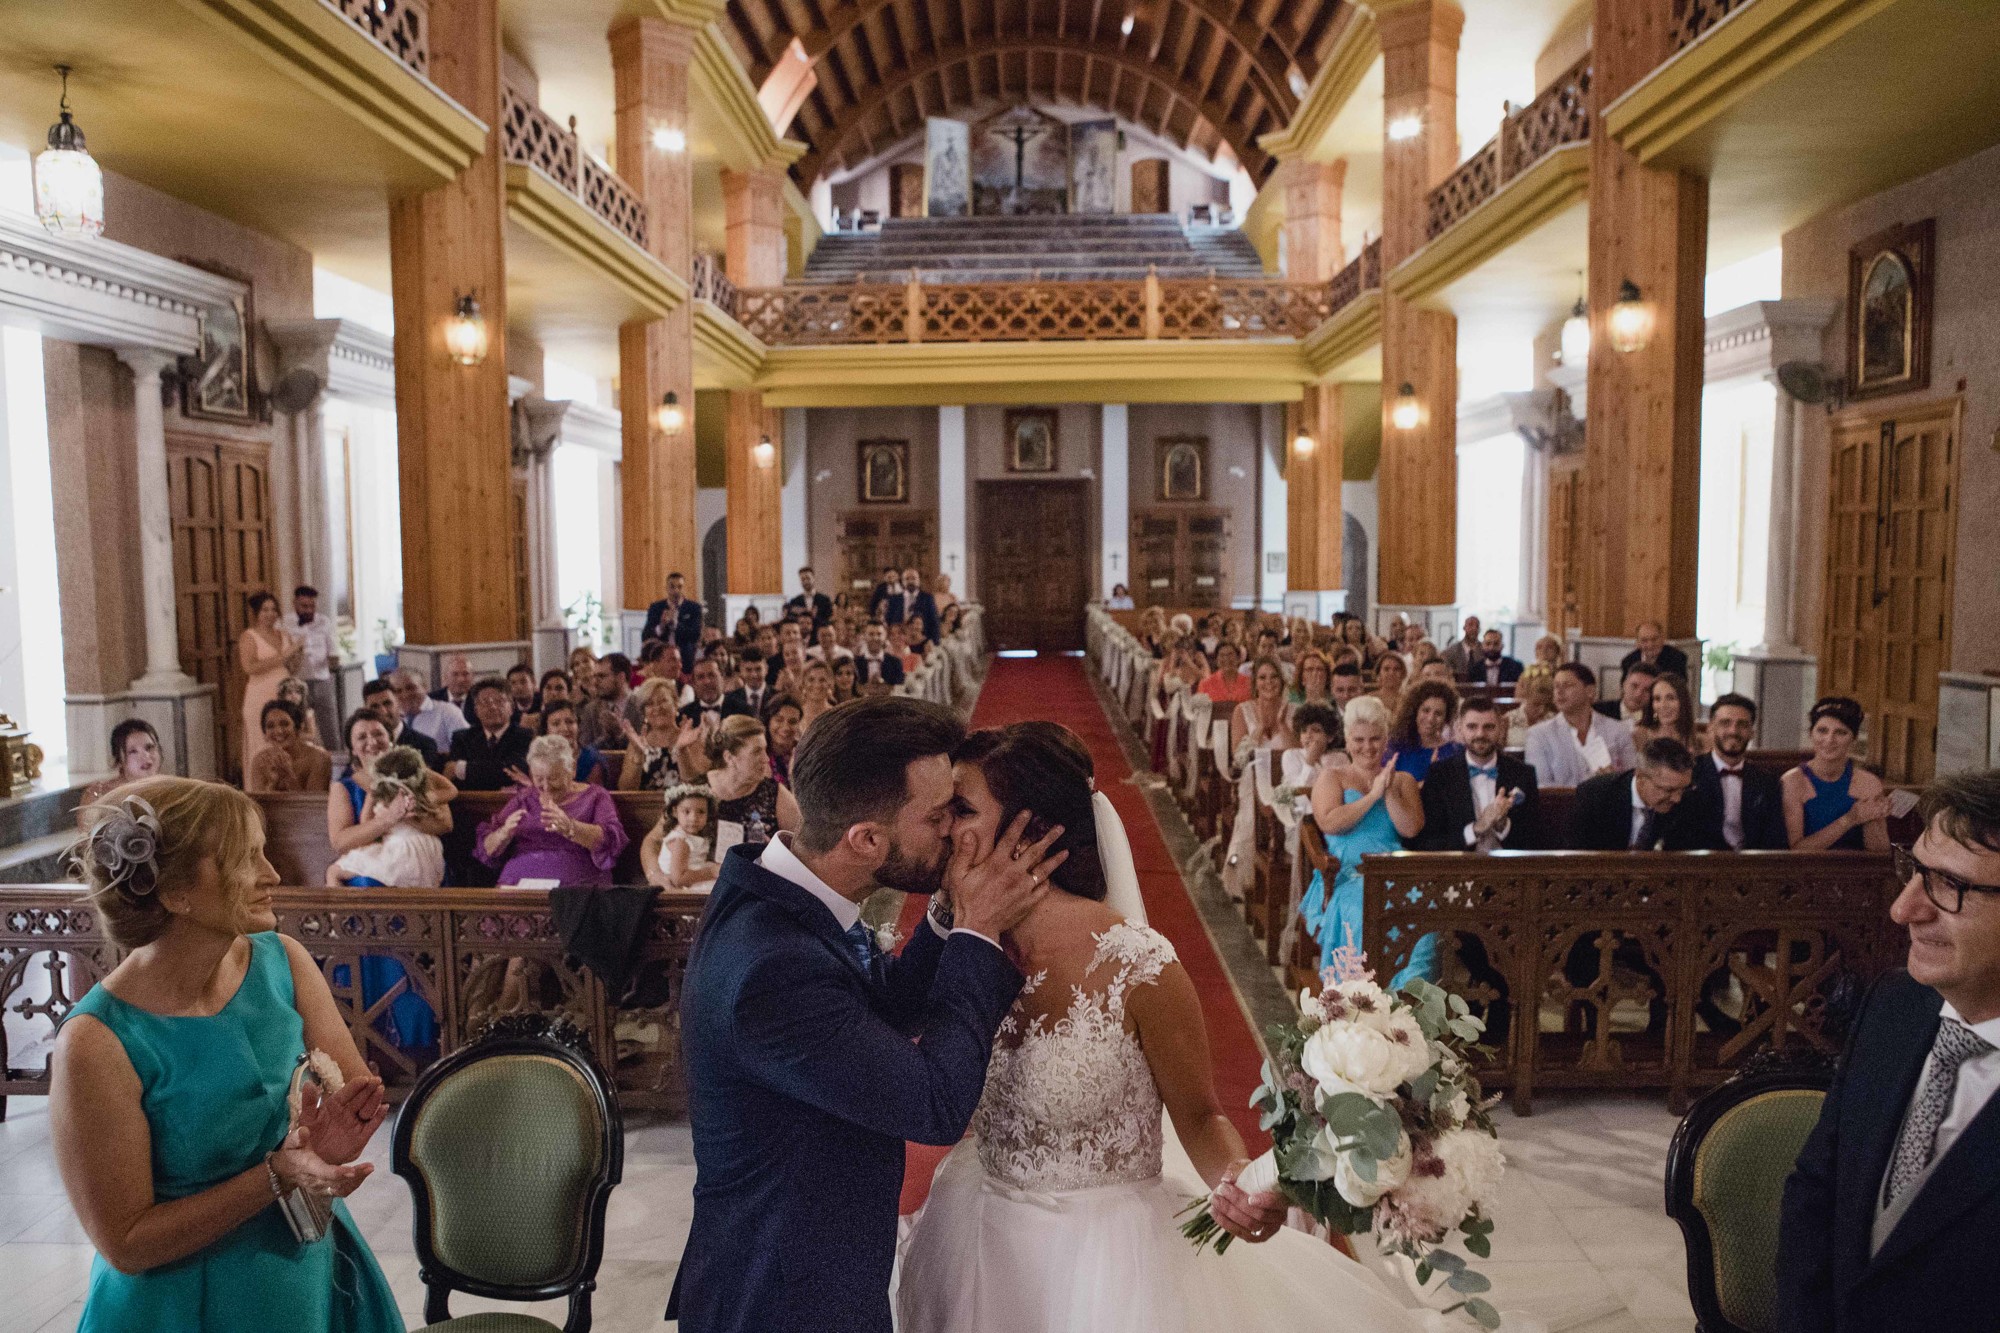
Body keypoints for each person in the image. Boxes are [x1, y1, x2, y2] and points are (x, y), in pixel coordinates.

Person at [900, 721, 1423, 1333]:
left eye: (960, 810)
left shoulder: (1137, 963)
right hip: (977, 1232)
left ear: (1030, 832)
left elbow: (1201, 1115)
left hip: (1110, 1262)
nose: (941, 828)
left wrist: (1236, 1185)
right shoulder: (958, 950)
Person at [669, 696, 1063, 1333]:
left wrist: (944, 914)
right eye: (938, 816)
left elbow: (879, 1003)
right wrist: (979, 930)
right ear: (868, 839)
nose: (954, 833)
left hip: (810, 1269)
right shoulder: (772, 969)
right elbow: (933, 1103)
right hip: (782, 1296)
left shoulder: (785, 893)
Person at [52, 778, 403, 1333]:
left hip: (305, 1272)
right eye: (245, 859)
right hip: (179, 1306)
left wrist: (329, 1152)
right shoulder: (95, 1041)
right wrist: (275, 1175)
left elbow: (348, 1099)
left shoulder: (283, 960)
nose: (273, 874)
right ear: (173, 893)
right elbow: (125, 1242)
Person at [1775, 769, 2000, 1333]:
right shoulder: (1897, 1006)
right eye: (1914, 871)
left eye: (1950, 886)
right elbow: (1816, 1191)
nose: (1903, 910)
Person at [328, 711, 455, 1048]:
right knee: (368, 890)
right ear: (352, 748)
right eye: (362, 737)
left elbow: (444, 822)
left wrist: (411, 814)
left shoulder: (412, 772)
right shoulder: (347, 786)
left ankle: (410, 1024)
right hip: (374, 872)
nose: (372, 742)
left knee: (374, 891)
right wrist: (387, 821)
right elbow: (341, 841)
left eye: (378, 734)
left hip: (410, 866)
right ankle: (375, 1021)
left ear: (391, 737)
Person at [1304, 697, 1435, 987]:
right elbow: (1330, 823)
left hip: (1396, 872)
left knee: (1425, 918)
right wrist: (1372, 796)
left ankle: (1410, 1001)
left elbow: (1411, 828)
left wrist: (1388, 792)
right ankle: (1361, 1001)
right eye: (1359, 740)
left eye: (1375, 739)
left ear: (1386, 740)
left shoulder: (1403, 780)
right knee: (1364, 913)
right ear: (1347, 741)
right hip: (1349, 873)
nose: (1368, 747)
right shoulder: (1332, 777)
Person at [476, 735, 629, 886]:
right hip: (519, 885)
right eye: (539, 779)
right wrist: (504, 833)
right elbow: (487, 849)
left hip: (575, 885)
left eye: (554, 778)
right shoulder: (524, 798)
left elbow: (610, 841)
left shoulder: (595, 796)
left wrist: (571, 828)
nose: (546, 786)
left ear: (572, 770)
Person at [1419, 698, 1541, 851]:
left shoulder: (1523, 774)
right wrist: (1475, 829)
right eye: (1472, 727)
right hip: (1458, 870)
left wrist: (1503, 826)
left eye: (1489, 727)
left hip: (1509, 870)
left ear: (1501, 728)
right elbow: (1429, 842)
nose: (1480, 734)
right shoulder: (1439, 774)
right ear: (1460, 728)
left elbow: (1535, 841)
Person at [1566, 737, 1718, 851]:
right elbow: (1578, 859)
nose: (1677, 798)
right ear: (1640, 777)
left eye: (1683, 788)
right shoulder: (1596, 796)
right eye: (1668, 790)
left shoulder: (1691, 800)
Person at [1784, 696, 1892, 851]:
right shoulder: (1792, 781)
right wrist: (1850, 819)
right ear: (1810, 734)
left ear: (1853, 739)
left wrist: (1874, 818)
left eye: (1840, 732)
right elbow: (1797, 851)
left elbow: (1879, 853)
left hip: (1857, 871)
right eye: (1822, 730)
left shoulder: (1869, 782)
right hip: (1807, 870)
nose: (1829, 740)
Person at [1691, 692, 1787, 850]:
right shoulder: (1691, 774)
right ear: (1710, 728)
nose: (1733, 731)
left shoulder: (1766, 781)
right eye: (1725, 723)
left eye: (1742, 725)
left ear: (1752, 732)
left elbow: (1775, 839)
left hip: (1753, 868)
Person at [695, 714, 801, 850]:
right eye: (757, 752)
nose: (766, 759)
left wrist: (775, 852)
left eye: (765, 750)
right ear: (729, 757)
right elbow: (658, 842)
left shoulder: (774, 794)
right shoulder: (698, 789)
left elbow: (805, 847)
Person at [1526, 663, 1637, 788]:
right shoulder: (1539, 734)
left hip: (1606, 804)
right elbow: (1541, 785)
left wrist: (1613, 780)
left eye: (1567, 685)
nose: (1559, 691)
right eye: (1556, 686)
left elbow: (1632, 780)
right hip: (1561, 805)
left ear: (1590, 691)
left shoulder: (1618, 730)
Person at [236, 591, 299, 779]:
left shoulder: (284, 634)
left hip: (284, 692)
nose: (270, 614)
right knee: (262, 741)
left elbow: (292, 666)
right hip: (260, 692)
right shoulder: (249, 637)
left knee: (288, 738)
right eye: (265, 610)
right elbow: (249, 667)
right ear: (257, 613)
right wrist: (283, 656)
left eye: (273, 609)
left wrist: (298, 654)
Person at [446, 677, 534, 791]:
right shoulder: (462, 738)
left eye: (499, 701)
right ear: (476, 710)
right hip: (471, 804)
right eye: (485, 702)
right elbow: (455, 780)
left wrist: (463, 769)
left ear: (511, 708)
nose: (492, 707)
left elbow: (514, 771)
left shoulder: (526, 736)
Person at [280, 585, 338, 747]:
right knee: (297, 723)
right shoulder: (285, 624)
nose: (308, 610)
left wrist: (331, 660)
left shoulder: (324, 622)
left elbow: (334, 652)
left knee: (329, 724)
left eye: (312, 606)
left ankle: (335, 759)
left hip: (321, 679)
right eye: (304, 606)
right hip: (296, 682)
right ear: (295, 604)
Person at [644, 783, 721, 891]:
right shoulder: (680, 842)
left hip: (692, 877)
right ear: (675, 812)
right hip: (680, 887)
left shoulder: (691, 836)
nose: (694, 818)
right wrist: (711, 872)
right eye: (687, 812)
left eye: (701, 812)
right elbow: (678, 879)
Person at [245, 699, 332, 794]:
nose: (278, 731)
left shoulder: (319, 759)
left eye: (285, 724)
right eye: (270, 726)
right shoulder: (260, 760)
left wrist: (288, 776)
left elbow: (313, 806)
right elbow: (258, 806)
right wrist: (273, 782)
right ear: (265, 734)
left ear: (299, 728)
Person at [1386, 679, 1463, 783]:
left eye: (1438, 713)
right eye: (1426, 711)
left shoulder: (1455, 751)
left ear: (1446, 718)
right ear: (1414, 711)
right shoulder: (1396, 746)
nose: (1431, 718)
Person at [619, 683, 692, 792]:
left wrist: (683, 750)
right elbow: (625, 790)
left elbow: (698, 786)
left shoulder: (690, 739)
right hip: (646, 807)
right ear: (644, 712)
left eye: (663, 701)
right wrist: (639, 754)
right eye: (650, 704)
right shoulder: (637, 743)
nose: (657, 708)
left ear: (676, 704)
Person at [361, 676, 441, 771]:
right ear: (366, 710)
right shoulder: (364, 746)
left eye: (387, 703)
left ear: (398, 703)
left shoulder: (424, 745)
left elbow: (420, 780)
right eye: (375, 707)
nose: (383, 711)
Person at [80, 719, 163, 810]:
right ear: (119, 761)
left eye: (149, 747)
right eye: (133, 751)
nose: (146, 756)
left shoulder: (169, 790)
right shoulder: (99, 795)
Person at [1279, 702, 1344, 815]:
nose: (1308, 735)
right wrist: (1310, 761)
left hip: (1335, 812)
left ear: (1330, 736)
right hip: (1303, 815)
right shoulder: (1291, 756)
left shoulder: (1339, 758)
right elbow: (1298, 792)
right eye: (1304, 731)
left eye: (1316, 730)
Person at [1230, 656, 1296, 757]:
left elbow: (1299, 755)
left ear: (1281, 681)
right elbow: (1239, 757)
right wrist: (1260, 727)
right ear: (1255, 683)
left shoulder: (1296, 710)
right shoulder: (1241, 711)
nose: (1269, 682)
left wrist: (1282, 725)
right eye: (1262, 677)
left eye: (1274, 676)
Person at [389, 667, 466, 753]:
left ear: (425, 687)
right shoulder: (391, 719)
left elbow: (466, 748)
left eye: (411, 688)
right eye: (398, 691)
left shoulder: (448, 712)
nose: (405, 695)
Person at [539, 699, 613, 787]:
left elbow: (593, 797)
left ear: (578, 725)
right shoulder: (538, 760)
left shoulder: (593, 761)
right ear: (546, 730)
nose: (564, 728)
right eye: (556, 724)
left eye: (570, 722)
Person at [643, 570, 705, 672]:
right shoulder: (656, 608)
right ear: (666, 588)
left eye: (680, 587)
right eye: (672, 586)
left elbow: (695, 635)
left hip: (685, 658)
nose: (676, 590)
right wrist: (661, 626)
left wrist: (676, 624)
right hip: (661, 659)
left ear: (684, 588)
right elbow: (646, 635)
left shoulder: (694, 608)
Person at [1633, 670, 1698, 752]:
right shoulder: (1640, 735)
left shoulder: (1694, 739)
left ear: (1683, 701)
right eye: (1657, 699)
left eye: (1670, 698)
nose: (1663, 705)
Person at [578, 653, 632, 750]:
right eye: (594, 677)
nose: (595, 682)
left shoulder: (643, 706)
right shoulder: (590, 710)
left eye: (601, 676)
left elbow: (646, 749)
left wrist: (620, 734)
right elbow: (586, 749)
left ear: (621, 677)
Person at [1621, 620, 1689, 682]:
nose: (1650, 645)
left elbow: (1679, 690)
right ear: (1637, 643)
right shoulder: (1628, 662)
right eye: (1644, 640)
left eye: (1654, 639)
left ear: (1662, 639)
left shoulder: (1677, 659)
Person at [1597, 660, 1658, 725]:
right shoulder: (1598, 711)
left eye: (1647, 690)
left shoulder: (1656, 721)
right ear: (1624, 685)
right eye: (1634, 686)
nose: (1638, 694)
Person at [762, 694, 803, 785]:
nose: (786, 728)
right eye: (779, 720)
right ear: (769, 721)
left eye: (792, 722)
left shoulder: (804, 754)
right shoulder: (758, 755)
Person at [1507, 675, 1556, 749]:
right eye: (1536, 704)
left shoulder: (1555, 721)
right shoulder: (1508, 719)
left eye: (1546, 706)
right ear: (1527, 697)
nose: (1541, 710)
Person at [854, 620, 906, 689]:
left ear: (885, 636)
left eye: (879, 634)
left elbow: (899, 690)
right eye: (871, 634)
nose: (875, 638)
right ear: (865, 636)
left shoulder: (895, 663)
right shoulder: (855, 663)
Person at [726, 655, 771, 719]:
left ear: (766, 669)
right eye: (748, 670)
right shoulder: (730, 699)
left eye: (758, 669)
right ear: (741, 671)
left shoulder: (776, 696)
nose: (754, 675)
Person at [1440, 615, 1482, 681]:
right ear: (1464, 628)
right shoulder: (1450, 651)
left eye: (1477, 626)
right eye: (1470, 625)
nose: (1474, 628)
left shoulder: (1485, 651)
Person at [1370, 651, 1408, 715]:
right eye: (1386, 669)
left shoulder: (1408, 700)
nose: (1391, 673)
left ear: (1403, 674)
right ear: (1379, 673)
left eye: (1396, 669)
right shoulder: (1370, 699)